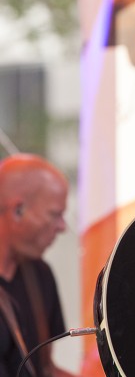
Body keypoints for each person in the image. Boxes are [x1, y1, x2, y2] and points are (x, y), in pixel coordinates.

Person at [0, 154, 75, 377]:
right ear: (17, 210)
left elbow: (45, 369)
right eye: (55, 214)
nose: (62, 227)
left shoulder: (41, 275)